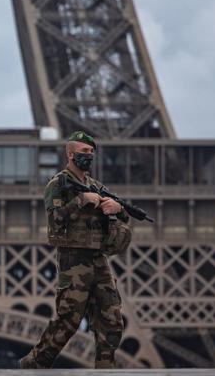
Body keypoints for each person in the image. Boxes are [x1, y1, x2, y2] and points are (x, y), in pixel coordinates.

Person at [19, 131, 131, 369]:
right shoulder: (57, 185)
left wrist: (117, 207)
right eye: (83, 152)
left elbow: (122, 215)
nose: (88, 156)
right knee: (69, 319)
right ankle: (35, 363)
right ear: (70, 154)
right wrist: (81, 201)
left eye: (91, 152)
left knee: (111, 319)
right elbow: (55, 220)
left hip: (98, 257)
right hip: (73, 258)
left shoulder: (97, 186)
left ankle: (105, 368)